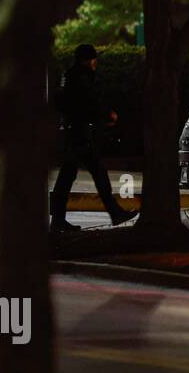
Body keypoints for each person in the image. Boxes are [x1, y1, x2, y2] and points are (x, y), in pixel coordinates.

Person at [49, 44, 138, 233]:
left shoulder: (69, 76)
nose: (95, 63)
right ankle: (114, 213)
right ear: (88, 60)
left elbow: (63, 100)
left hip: (73, 129)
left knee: (69, 176)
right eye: (93, 59)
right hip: (79, 132)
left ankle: (58, 220)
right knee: (95, 172)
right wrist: (107, 116)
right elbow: (89, 102)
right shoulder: (82, 76)